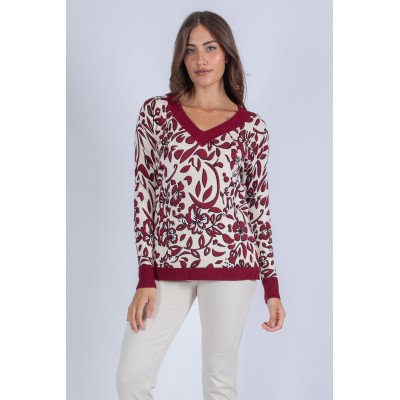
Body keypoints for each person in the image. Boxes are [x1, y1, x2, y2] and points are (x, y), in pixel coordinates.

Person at [115, 10, 286, 400]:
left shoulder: (252, 128)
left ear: (227, 54)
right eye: (190, 50)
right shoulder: (156, 114)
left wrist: (271, 286)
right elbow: (144, 195)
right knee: (131, 378)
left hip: (233, 262)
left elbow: (258, 208)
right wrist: (145, 276)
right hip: (166, 266)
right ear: (181, 57)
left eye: (210, 48)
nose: (200, 60)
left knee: (219, 382)